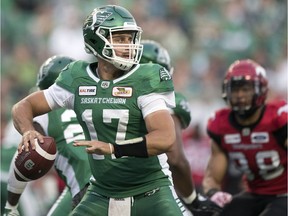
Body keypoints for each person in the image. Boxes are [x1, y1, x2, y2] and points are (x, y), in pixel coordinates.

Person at [11, 5, 189, 216]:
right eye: (119, 39)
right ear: (96, 39)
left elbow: (165, 138)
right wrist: (28, 131)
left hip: (151, 190)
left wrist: (113, 148)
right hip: (101, 192)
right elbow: (23, 107)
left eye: (130, 39)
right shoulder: (76, 77)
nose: (128, 46)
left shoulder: (147, 77)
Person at [140, 39, 222, 216]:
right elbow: (175, 157)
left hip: (105, 185)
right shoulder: (165, 101)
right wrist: (192, 198)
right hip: (149, 188)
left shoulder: (110, 95)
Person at [4, 55, 92, 216]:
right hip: (123, 180)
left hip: (89, 191)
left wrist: (11, 205)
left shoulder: (43, 113)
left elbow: (25, 154)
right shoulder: (99, 102)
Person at [202, 59, 287, 216]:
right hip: (255, 194)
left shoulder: (278, 118)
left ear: (260, 90)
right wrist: (214, 193)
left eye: (246, 89)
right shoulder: (221, 124)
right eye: (235, 90)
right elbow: (212, 177)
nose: (240, 95)